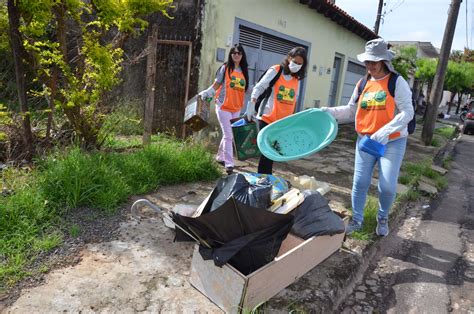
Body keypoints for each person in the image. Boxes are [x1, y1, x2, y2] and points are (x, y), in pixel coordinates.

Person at [322, 38, 414, 237]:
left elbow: (408, 112)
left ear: (384, 61)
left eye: (374, 61)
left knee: (387, 185)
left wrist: (385, 131)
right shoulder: (363, 82)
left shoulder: (397, 82)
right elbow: (350, 110)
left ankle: (383, 217)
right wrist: (327, 111)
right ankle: (357, 219)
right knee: (360, 182)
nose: (370, 65)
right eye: (367, 62)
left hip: (392, 141)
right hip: (365, 140)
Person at [246, 46, 308, 174]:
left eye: (300, 64)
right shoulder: (276, 70)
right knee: (267, 153)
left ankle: (265, 178)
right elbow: (259, 87)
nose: (296, 65)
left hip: (282, 123)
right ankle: (264, 179)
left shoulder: (297, 79)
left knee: (272, 153)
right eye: (295, 62)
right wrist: (251, 105)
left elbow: (294, 100)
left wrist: (293, 120)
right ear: (289, 58)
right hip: (267, 118)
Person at [199, 44, 249, 175]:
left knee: (228, 134)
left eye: (239, 53)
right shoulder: (225, 68)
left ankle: (220, 157)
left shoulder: (244, 71)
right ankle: (229, 164)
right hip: (223, 106)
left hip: (236, 108)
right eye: (234, 53)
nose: (236, 55)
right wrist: (207, 92)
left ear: (242, 56)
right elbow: (216, 85)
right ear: (231, 54)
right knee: (229, 135)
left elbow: (244, 89)